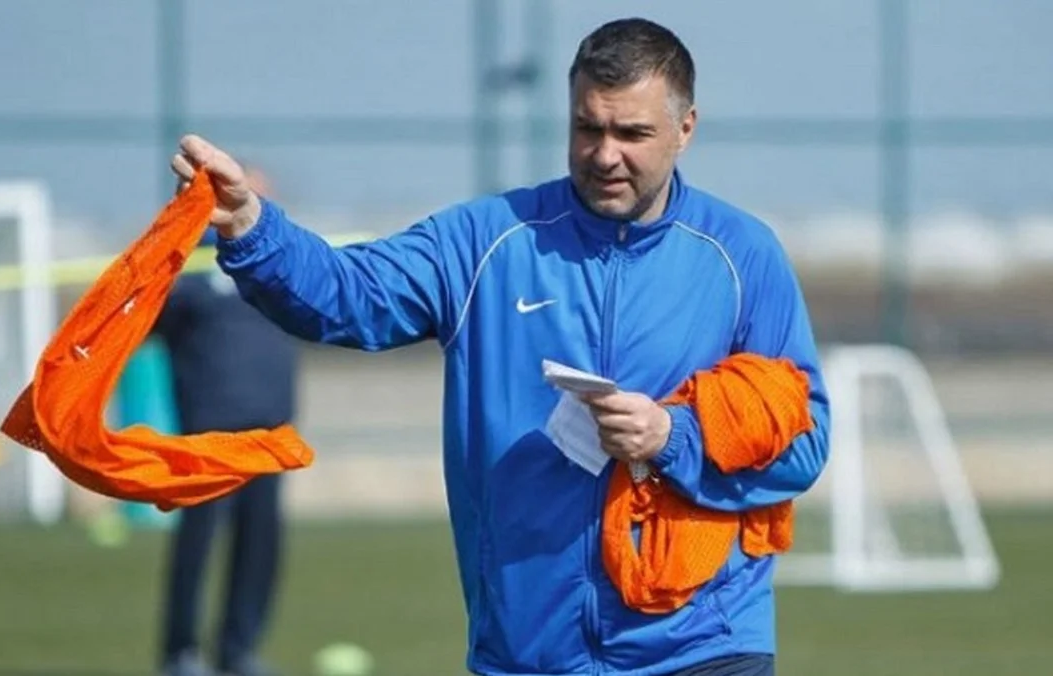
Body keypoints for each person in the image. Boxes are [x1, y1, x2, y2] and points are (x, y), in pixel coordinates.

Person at [170, 18, 830, 676]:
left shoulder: (743, 256)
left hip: (704, 646)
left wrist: (671, 435)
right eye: (587, 128)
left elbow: (805, 445)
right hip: (530, 652)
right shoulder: (487, 241)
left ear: (684, 129)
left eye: (632, 134)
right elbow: (347, 295)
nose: (605, 154)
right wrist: (250, 226)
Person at [154, 167, 299, 676]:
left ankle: (238, 650)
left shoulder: (280, 265)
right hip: (209, 430)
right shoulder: (193, 264)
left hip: (269, 431)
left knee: (261, 546)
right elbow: (154, 323)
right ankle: (181, 652)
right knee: (198, 542)